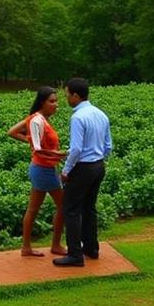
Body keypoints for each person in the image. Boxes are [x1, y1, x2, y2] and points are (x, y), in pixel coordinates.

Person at [53, 76, 112, 267]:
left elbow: (76, 149)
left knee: (71, 210)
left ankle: (75, 255)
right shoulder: (101, 114)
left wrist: (66, 170)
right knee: (89, 208)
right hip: (98, 165)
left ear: (76, 95)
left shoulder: (78, 117)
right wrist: (98, 159)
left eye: (67, 95)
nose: (66, 99)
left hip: (82, 168)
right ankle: (91, 248)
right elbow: (108, 145)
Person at [7, 86, 67, 257]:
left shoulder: (37, 119)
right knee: (63, 206)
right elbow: (37, 149)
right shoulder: (37, 120)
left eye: (56, 101)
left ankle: (27, 247)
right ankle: (55, 245)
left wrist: (30, 140)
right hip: (44, 169)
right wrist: (58, 154)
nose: (56, 105)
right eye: (52, 101)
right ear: (42, 102)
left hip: (43, 168)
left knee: (33, 209)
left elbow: (13, 132)